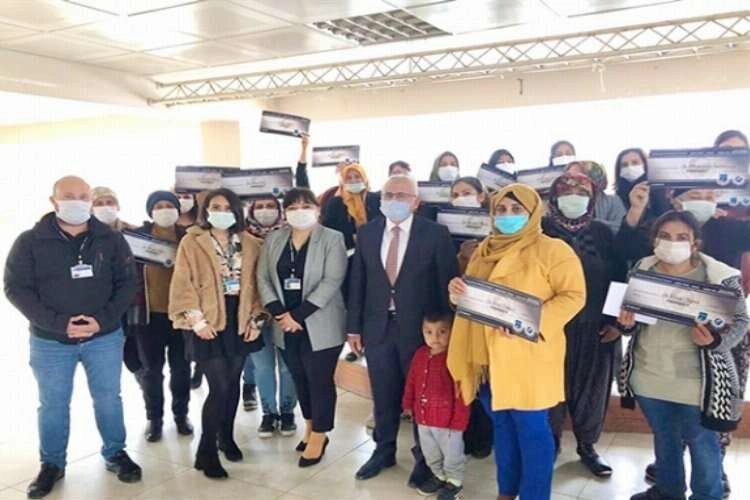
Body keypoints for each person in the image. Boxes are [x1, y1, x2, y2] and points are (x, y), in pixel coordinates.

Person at [4, 175, 142, 499]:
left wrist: (101, 320)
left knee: (109, 398)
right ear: (53, 201)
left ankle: (115, 453)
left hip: (104, 337)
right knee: (53, 404)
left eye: (83, 196)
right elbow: (16, 288)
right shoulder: (30, 241)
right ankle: (52, 463)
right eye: (68, 196)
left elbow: (128, 284)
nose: (77, 201)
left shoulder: (111, 239)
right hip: (50, 341)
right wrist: (58, 324)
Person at [447, 183, 586, 500]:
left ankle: (534, 495)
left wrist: (530, 323)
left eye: (516, 209)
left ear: (533, 212)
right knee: (503, 428)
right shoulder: (485, 249)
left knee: (532, 431)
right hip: (487, 359)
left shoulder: (553, 250)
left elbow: (574, 296)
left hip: (528, 357)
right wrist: (457, 293)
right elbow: (475, 299)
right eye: (501, 209)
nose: (507, 215)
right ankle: (507, 492)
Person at [617, 210, 749, 500]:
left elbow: (741, 322)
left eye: (681, 237)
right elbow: (633, 319)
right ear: (654, 240)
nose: (672, 242)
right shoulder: (642, 269)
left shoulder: (721, 278)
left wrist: (716, 341)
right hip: (649, 376)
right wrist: (625, 324)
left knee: (703, 444)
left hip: (697, 382)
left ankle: (707, 496)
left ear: (695, 243)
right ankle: (668, 491)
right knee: (665, 439)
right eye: (664, 236)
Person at [347, 174, 459, 491]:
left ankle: (425, 459)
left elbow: (446, 284)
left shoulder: (435, 234)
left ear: (416, 201)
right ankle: (383, 451)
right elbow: (358, 282)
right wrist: (353, 327)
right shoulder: (367, 232)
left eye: (402, 195)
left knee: (423, 398)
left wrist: (445, 335)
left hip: (422, 332)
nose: (394, 200)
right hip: (377, 328)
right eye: (389, 195)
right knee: (383, 395)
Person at [168, 188, 266, 478]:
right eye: (216, 206)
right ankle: (206, 449)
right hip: (207, 319)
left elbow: (259, 285)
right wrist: (196, 320)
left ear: (237, 211)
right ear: (206, 210)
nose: (222, 212)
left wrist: (256, 320)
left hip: (240, 318)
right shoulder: (192, 241)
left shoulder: (251, 243)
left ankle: (226, 437)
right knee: (219, 386)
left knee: (233, 383)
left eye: (227, 207)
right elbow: (182, 283)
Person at [542, 173, 627, 476]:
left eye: (582, 192)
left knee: (592, 391)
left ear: (593, 198)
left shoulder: (602, 232)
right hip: (551, 328)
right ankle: (549, 446)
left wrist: (615, 323)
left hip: (595, 328)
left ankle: (587, 447)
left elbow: (620, 277)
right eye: (566, 191)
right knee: (551, 389)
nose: (574, 197)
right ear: (554, 197)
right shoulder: (540, 230)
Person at [257, 188, 348, 467]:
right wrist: (279, 313)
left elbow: (333, 280)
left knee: (319, 380)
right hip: (284, 325)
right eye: (293, 207)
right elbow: (262, 277)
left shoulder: (332, 238)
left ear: (317, 209)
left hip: (321, 323)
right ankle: (309, 426)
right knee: (300, 378)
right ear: (285, 212)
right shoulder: (274, 239)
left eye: (306, 205)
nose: (300, 211)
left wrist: (297, 315)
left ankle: (320, 434)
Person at [130, 191, 193, 443]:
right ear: (150, 211)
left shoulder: (189, 237)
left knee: (181, 369)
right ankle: (154, 419)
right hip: (148, 316)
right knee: (151, 371)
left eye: (169, 205)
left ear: (178, 210)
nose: (164, 209)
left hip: (183, 316)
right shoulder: (136, 238)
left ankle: (181, 415)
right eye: (158, 206)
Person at [243, 195, 299, 438]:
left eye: (271, 206)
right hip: (255, 313)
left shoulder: (292, 235)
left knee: (287, 367)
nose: (265, 210)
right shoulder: (242, 238)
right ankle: (269, 413)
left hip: (285, 312)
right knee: (262, 366)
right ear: (251, 210)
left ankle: (287, 411)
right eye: (260, 206)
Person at [402, 313, 470, 500]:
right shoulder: (420, 355)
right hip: (423, 419)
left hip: (448, 423)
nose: (435, 338)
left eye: (442, 332)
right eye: (429, 332)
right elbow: (412, 382)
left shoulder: (455, 358)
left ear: (452, 332)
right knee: (430, 451)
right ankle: (439, 475)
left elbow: (463, 393)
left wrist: (459, 421)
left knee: (452, 454)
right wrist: (407, 404)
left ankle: (454, 481)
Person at [321, 163, 381, 253]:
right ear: (343, 181)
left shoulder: (376, 199)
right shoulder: (336, 203)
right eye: (348, 178)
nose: (353, 180)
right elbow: (329, 228)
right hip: (345, 250)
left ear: (364, 178)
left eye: (357, 177)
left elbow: (381, 223)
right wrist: (350, 237)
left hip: (374, 248)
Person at [566, 160, 627, 233]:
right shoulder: (562, 202)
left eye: (579, 178)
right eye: (568, 177)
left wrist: (590, 223)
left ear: (594, 181)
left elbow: (621, 229)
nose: (571, 182)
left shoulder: (612, 201)